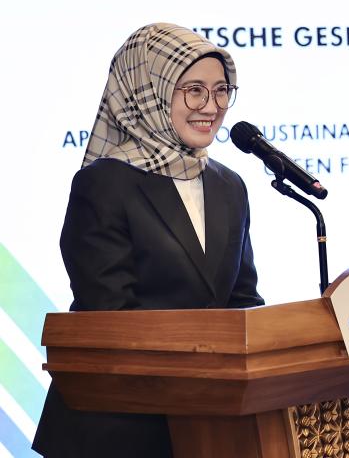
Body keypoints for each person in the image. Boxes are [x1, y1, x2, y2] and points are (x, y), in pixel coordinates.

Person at [33, 23, 263, 458]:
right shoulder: (104, 184)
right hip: (116, 430)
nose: (211, 107)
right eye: (193, 90)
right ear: (148, 93)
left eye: (221, 91)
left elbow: (241, 301)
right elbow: (111, 319)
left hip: (209, 427)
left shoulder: (228, 185)